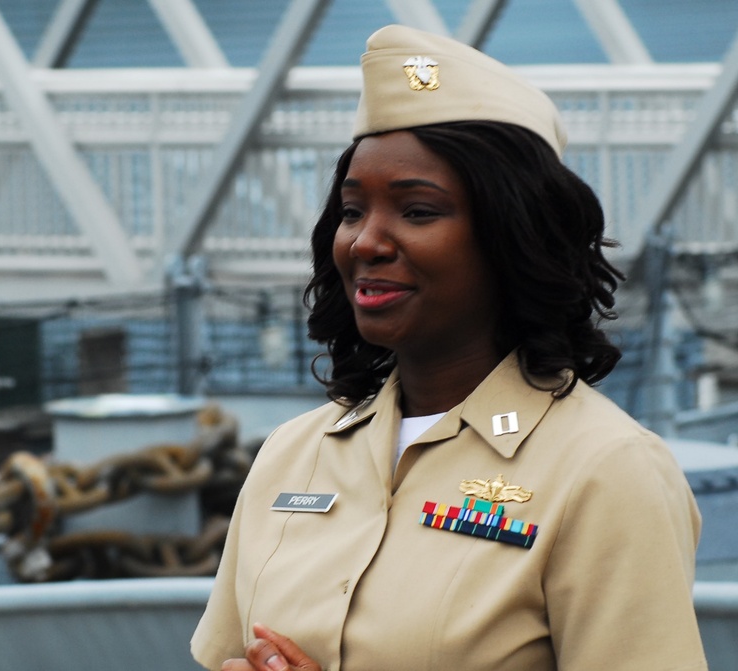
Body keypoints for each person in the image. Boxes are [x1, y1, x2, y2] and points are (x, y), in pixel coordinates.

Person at [190, 24, 707, 671]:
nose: (366, 241)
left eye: (418, 210)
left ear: (511, 236)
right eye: (353, 210)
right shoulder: (292, 455)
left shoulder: (605, 472)